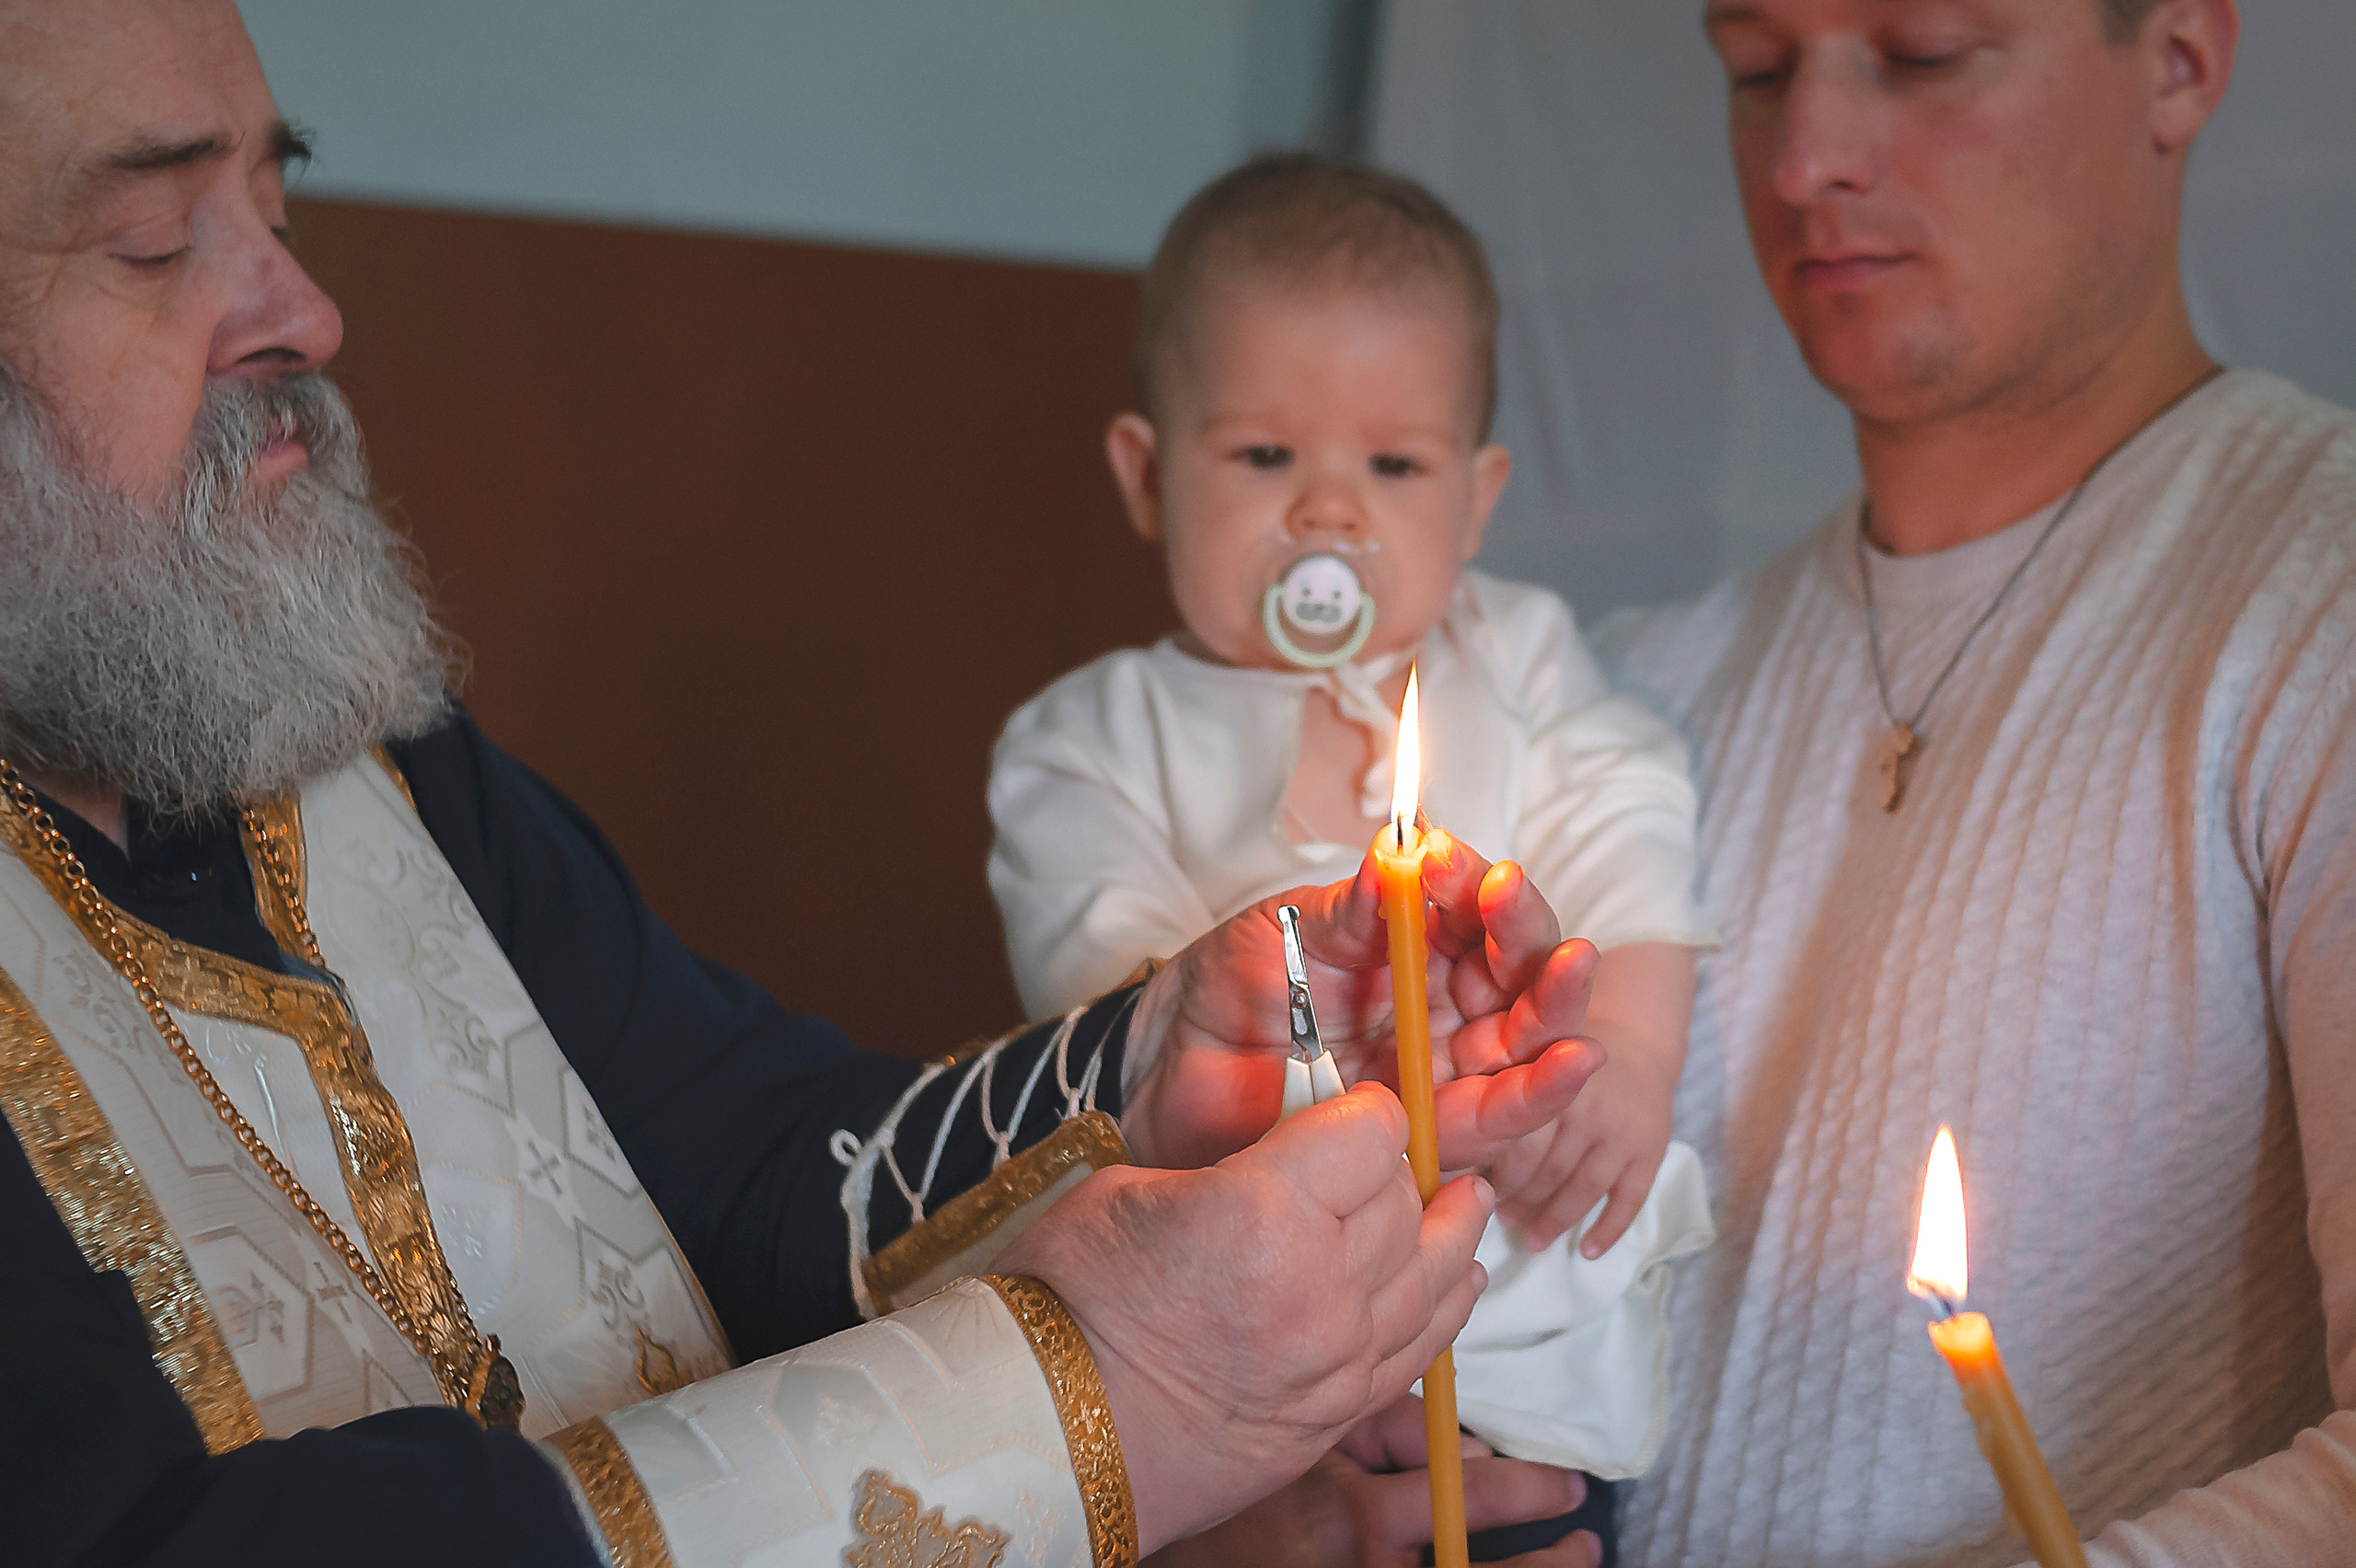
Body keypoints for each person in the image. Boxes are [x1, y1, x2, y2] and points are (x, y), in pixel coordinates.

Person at [0, 4, 1623, 1565]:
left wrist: (1153, 1068)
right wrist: (1098, 1413)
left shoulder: (360, 751)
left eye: (279, 203)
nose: (304, 311)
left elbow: (760, 1164)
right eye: (153, 242)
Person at [1589, 0, 2352, 1562]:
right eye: (1755, 69)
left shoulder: (2316, 601)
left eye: (1925, 52)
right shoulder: (1618, 695)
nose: (1806, 161)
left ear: (2182, 59)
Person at [987, 156, 1715, 1562]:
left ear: (1478, 495)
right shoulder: (1088, 744)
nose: (1330, 516)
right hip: (1254, 1369)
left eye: (1393, 465)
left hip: (1523, 1355)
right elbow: (1113, 1019)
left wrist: (1626, 1050)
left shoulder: (1522, 661)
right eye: (1267, 458)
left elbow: (1633, 832)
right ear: (1149, 474)